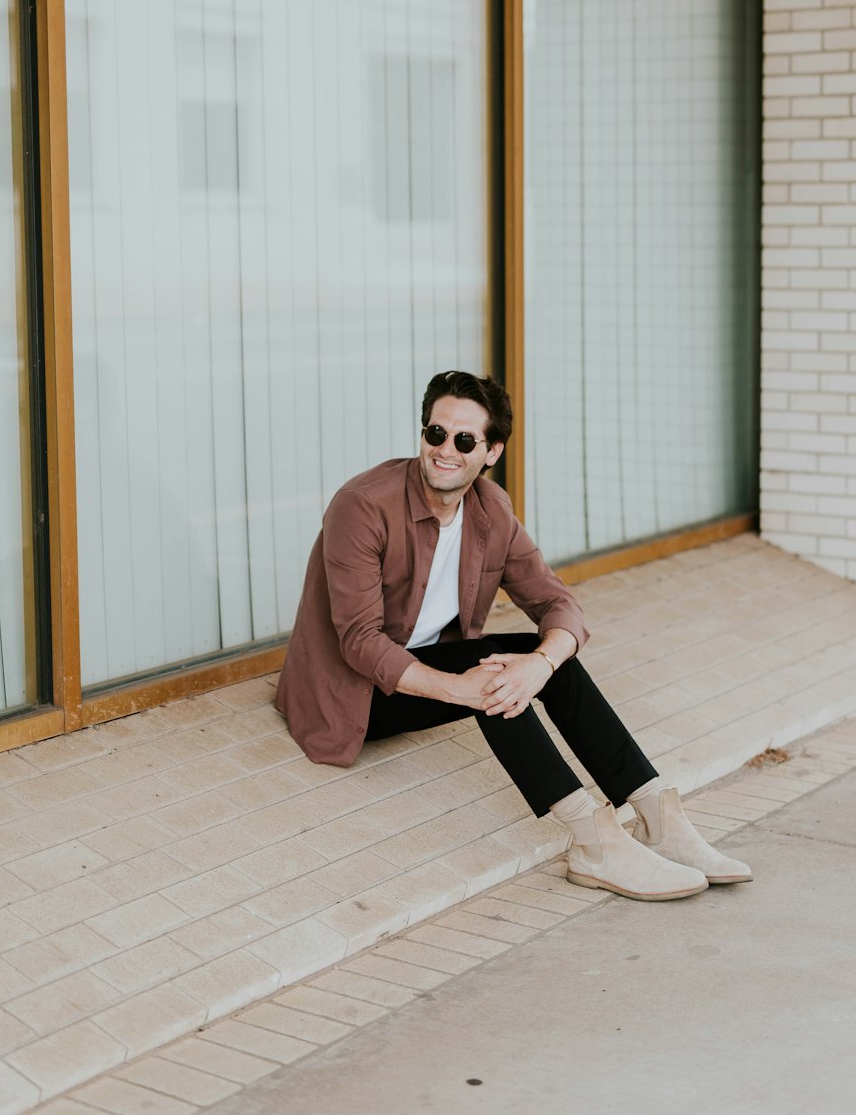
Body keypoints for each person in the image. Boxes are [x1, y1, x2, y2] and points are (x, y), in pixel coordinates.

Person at [275, 370, 751, 901]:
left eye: (464, 440)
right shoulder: (362, 506)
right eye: (435, 433)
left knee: (536, 661)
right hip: (354, 693)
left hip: (429, 667)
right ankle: (592, 841)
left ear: (492, 451)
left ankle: (658, 816)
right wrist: (466, 688)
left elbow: (558, 605)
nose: (445, 451)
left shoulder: (490, 509)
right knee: (498, 678)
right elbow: (360, 642)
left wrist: (541, 664)